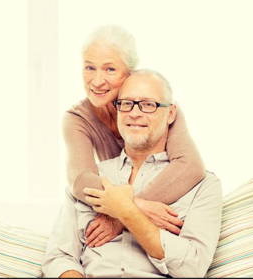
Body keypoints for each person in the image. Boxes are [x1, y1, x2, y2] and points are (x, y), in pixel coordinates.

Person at [42, 70, 222, 278]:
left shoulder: (202, 185)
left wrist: (126, 211)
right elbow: (59, 257)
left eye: (148, 104)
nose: (134, 113)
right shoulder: (89, 180)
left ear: (171, 113)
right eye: (126, 103)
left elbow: (192, 268)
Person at [64, 25, 206, 248]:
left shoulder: (158, 106)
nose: (97, 81)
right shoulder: (77, 118)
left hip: (170, 205)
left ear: (129, 74)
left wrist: (124, 215)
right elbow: (81, 180)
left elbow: (191, 167)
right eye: (89, 68)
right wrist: (134, 208)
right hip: (125, 203)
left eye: (110, 69)